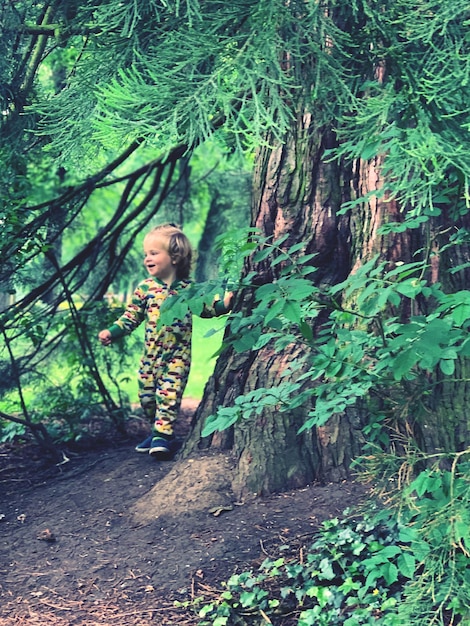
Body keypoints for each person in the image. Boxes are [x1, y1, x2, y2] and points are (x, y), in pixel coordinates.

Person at [98, 223, 232, 459]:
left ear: (175, 257)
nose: (146, 259)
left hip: (177, 357)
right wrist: (112, 332)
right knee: (148, 398)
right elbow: (131, 317)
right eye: (145, 254)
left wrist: (224, 304)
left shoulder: (188, 290)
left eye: (153, 253)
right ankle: (158, 432)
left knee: (168, 396)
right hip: (150, 358)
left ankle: (163, 436)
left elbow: (207, 309)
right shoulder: (145, 289)